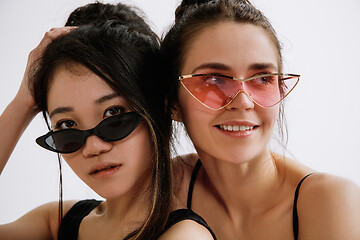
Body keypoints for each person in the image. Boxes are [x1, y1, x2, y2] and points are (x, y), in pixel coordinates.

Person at [0, 2, 215, 239]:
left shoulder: (185, 235)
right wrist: (23, 103)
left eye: (113, 114)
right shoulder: (56, 223)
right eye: (67, 126)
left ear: (159, 109)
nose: (93, 147)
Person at [161, 0, 360, 239]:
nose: (244, 101)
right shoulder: (165, 190)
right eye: (213, 79)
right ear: (173, 103)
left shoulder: (331, 202)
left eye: (263, 78)